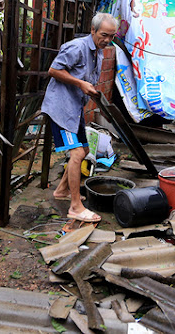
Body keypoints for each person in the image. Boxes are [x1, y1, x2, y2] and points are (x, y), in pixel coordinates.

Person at [41, 13, 118, 223]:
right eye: (104, 35)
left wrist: (89, 89)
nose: (107, 40)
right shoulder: (76, 47)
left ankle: (62, 190)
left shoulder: (99, 52)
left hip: (75, 107)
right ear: (92, 30)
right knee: (76, 153)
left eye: (112, 36)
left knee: (84, 150)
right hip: (61, 108)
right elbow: (53, 70)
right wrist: (80, 84)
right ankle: (75, 207)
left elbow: (87, 78)